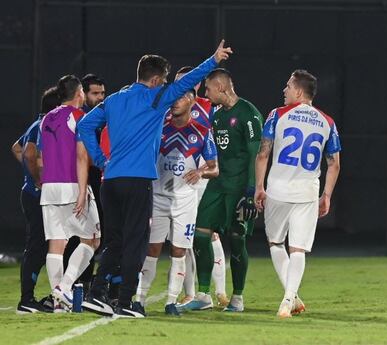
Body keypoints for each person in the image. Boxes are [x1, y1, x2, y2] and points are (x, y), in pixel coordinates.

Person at [78, 40, 233, 318]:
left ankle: (97, 293)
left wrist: (101, 160)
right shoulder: (155, 97)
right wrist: (214, 59)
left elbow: (85, 125)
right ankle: (126, 302)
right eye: (164, 81)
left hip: (109, 181)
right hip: (137, 182)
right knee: (136, 243)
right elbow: (190, 81)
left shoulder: (113, 99)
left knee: (114, 242)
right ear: (158, 79)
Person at [254, 70, 341, 318]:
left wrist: (259, 186)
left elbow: (263, 153)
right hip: (307, 192)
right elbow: (333, 163)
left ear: (299, 92)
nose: (285, 90)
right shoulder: (328, 122)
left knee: (275, 243)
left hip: (279, 190)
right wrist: (327, 195)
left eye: (288, 86)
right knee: (299, 249)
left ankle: (289, 298)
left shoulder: (277, 115)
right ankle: (290, 299)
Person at [180, 68, 263, 313]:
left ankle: (237, 298)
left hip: (239, 187)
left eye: (208, 89)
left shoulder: (248, 114)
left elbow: (256, 154)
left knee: (237, 240)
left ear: (222, 88)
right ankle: (204, 294)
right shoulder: (216, 115)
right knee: (200, 233)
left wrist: (251, 190)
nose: (206, 93)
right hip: (217, 184)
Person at [135, 89, 219, 316]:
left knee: (179, 250)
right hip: (158, 198)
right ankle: (139, 299)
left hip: (185, 201)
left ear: (192, 101)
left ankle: (171, 302)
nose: (174, 102)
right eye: (174, 98)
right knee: (151, 249)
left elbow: (214, 167)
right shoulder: (160, 126)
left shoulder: (202, 132)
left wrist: (201, 172)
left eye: (181, 98)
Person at [38, 75, 101, 311]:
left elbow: (43, 158)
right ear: (79, 94)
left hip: (49, 188)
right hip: (72, 185)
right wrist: (83, 191)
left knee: (56, 243)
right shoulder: (79, 117)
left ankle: (58, 302)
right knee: (92, 239)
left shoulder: (46, 119)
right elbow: (83, 156)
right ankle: (64, 287)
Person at [172, 67, 229, 307]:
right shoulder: (170, 107)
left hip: (203, 179)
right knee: (183, 237)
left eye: (184, 81)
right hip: (180, 180)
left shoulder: (209, 107)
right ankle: (191, 292)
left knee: (208, 233)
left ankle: (220, 291)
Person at [11, 87, 60, 314]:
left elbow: (17, 147)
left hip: (34, 193)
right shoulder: (45, 124)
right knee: (37, 245)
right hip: (36, 196)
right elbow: (29, 154)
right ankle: (26, 299)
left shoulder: (38, 124)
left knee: (42, 245)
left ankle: (34, 297)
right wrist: (38, 179)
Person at [63, 74, 106, 297]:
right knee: (79, 237)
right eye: (95, 93)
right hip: (81, 185)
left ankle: (85, 285)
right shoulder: (79, 119)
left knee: (97, 238)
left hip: (100, 185)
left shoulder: (103, 119)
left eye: (102, 93)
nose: (100, 98)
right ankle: (73, 286)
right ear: (83, 95)